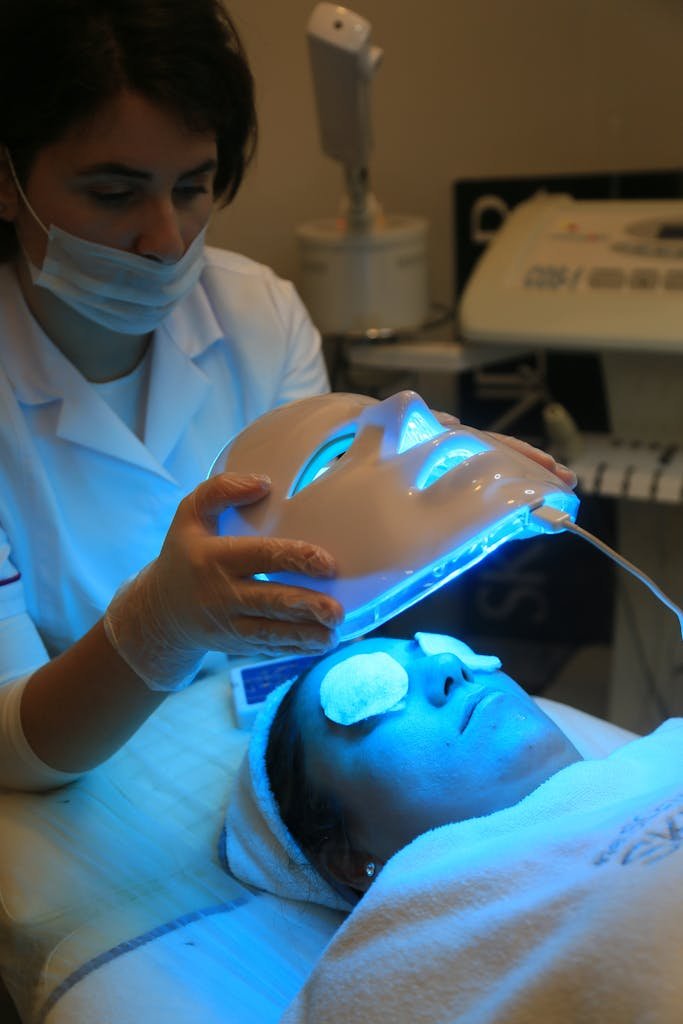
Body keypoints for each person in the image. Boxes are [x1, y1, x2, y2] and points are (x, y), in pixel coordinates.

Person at [0, 0, 574, 793]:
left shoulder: (256, 313)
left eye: (193, 187)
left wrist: (434, 482)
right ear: (7, 180)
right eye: (113, 193)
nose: (165, 238)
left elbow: (328, 581)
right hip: (77, 775)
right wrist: (157, 627)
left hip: (252, 728)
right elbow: (12, 745)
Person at [226, 633, 683, 1023]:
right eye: (370, 690)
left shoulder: (668, 750)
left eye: (437, 645)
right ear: (348, 860)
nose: (448, 665)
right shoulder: (392, 962)